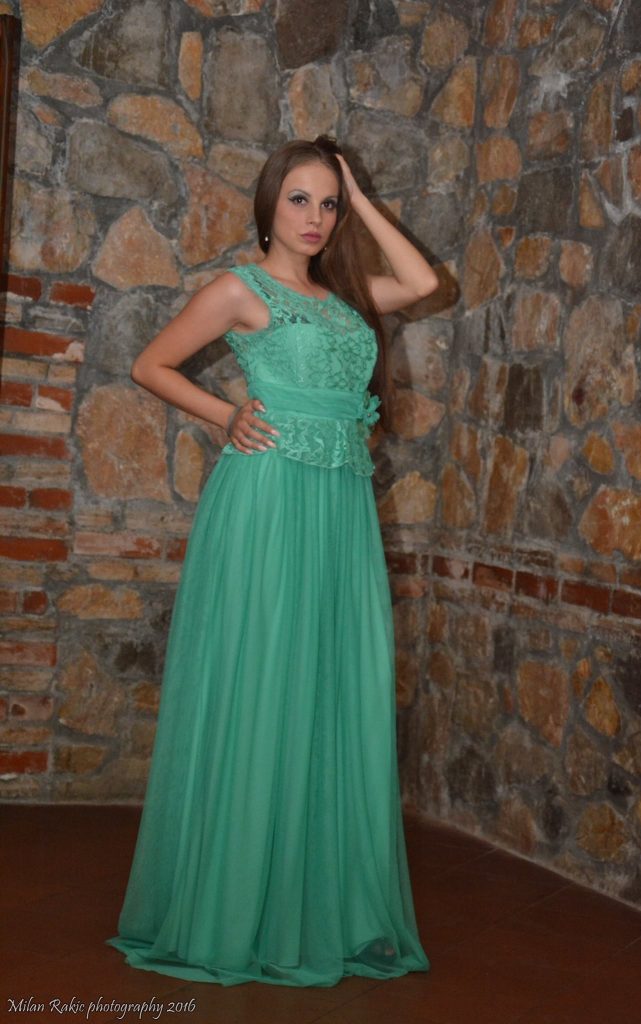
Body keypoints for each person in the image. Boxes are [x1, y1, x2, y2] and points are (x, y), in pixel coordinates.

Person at [106, 135, 438, 988]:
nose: (315, 217)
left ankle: (315, 898)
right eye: (300, 199)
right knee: (263, 682)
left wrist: (362, 197)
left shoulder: (346, 296)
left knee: (330, 685)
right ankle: (233, 903)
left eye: (327, 203)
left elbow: (421, 283)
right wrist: (224, 416)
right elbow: (149, 364)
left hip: (338, 512)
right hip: (266, 504)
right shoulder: (238, 289)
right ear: (268, 205)